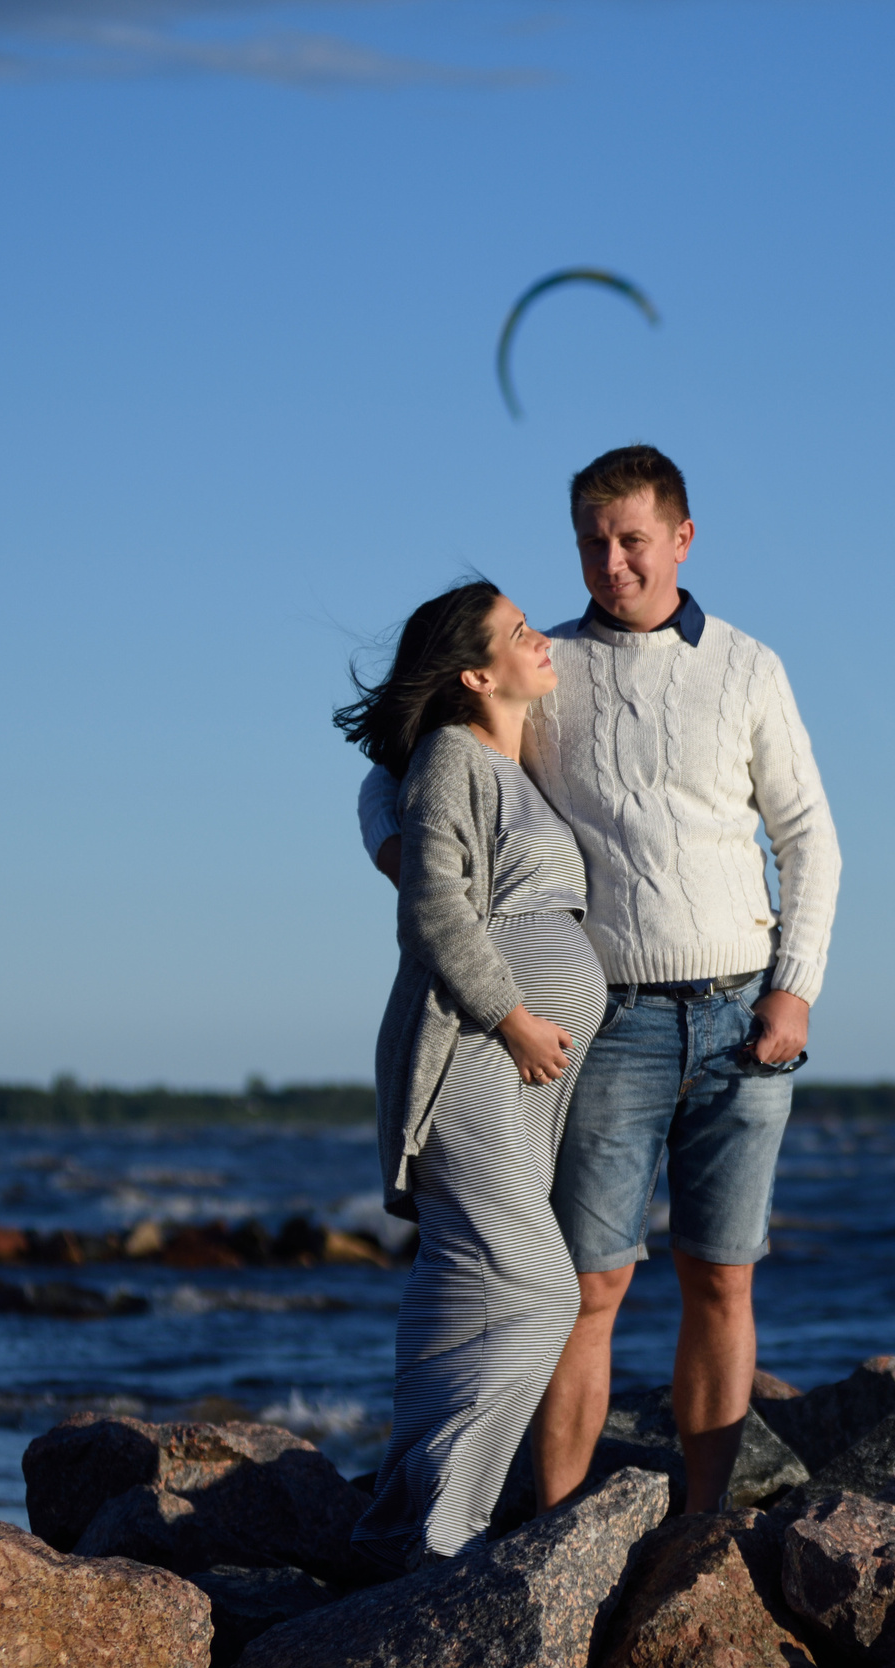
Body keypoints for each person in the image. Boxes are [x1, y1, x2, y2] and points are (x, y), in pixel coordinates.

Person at [360, 444, 840, 1515]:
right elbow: (401, 768)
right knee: (590, 1286)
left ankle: (704, 1534)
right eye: (592, 541)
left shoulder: (749, 666)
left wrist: (794, 985)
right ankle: (554, 1534)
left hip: (742, 1017)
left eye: (631, 539)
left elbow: (809, 835)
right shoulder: (547, 666)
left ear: (681, 536)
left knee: (721, 1278)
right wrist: (406, 861)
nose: (611, 562)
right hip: (607, 1027)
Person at [335, 578, 603, 1567]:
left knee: (460, 1286)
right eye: (520, 633)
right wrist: (518, 1018)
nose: (543, 642)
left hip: (520, 1074)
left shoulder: (510, 760)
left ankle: (404, 1520)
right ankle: (449, 1530)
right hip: (479, 1055)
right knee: (537, 1290)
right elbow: (435, 910)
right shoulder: (455, 755)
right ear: (475, 673)